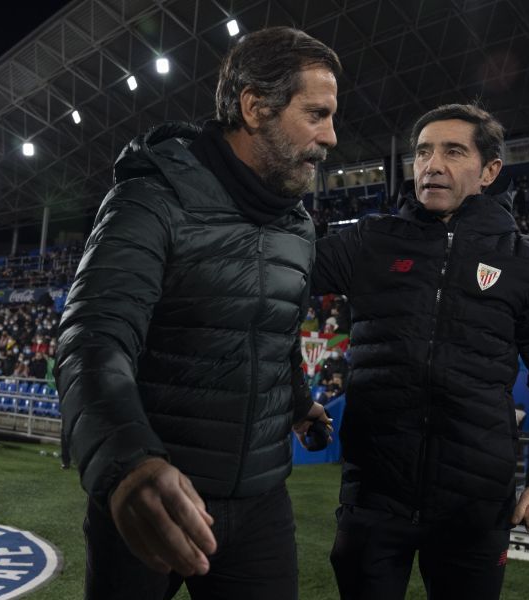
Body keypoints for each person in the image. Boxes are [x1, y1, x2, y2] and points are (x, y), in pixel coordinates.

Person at [55, 27, 338, 600]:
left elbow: (275, 332)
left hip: (261, 504)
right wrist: (129, 464)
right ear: (254, 107)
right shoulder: (151, 198)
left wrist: (296, 400)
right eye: (316, 114)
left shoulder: (297, 225)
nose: (331, 136)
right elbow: (94, 338)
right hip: (157, 494)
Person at [312, 103, 529, 600]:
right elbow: (277, 273)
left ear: (490, 170)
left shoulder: (526, 260)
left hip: (475, 504)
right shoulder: (371, 240)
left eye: (453, 152)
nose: (432, 165)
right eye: (423, 152)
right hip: (373, 495)